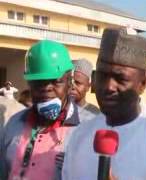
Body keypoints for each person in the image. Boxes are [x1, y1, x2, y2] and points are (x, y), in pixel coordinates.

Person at [62, 28, 146, 180]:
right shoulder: (80, 135)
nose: (109, 86)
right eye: (103, 75)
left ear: (143, 84)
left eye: (121, 79)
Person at [0, 40, 95, 180]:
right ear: (29, 84)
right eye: (39, 82)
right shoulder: (14, 123)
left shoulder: (90, 129)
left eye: (56, 81)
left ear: (70, 82)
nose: (47, 88)